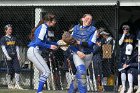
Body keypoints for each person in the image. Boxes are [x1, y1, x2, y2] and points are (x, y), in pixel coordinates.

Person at [27, 13, 58, 93]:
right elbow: (38, 42)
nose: (55, 22)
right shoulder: (44, 27)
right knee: (46, 71)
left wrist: (57, 43)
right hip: (34, 51)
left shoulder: (44, 27)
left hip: (34, 51)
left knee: (44, 72)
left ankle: (39, 91)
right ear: (49, 21)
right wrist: (50, 46)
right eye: (54, 20)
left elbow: (45, 41)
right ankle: (39, 91)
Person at [68, 14, 97, 93]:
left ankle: (71, 91)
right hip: (77, 54)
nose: (89, 20)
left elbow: (90, 44)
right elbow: (70, 44)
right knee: (82, 72)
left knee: (80, 76)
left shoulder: (93, 29)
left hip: (88, 55)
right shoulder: (75, 28)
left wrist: (78, 42)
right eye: (87, 18)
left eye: (91, 19)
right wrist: (77, 52)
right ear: (82, 19)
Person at [0, 24, 23, 89]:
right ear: (5, 30)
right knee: (10, 70)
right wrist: (7, 56)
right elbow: (3, 48)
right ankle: (9, 84)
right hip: (8, 57)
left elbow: (17, 47)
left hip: (15, 56)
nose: (10, 30)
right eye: (9, 29)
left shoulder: (14, 38)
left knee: (17, 69)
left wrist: (18, 55)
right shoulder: (3, 39)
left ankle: (17, 84)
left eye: (11, 29)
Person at [119, 25, 135, 93]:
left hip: (130, 55)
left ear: (129, 29)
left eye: (127, 29)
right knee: (123, 70)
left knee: (129, 70)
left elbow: (135, 45)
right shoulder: (121, 35)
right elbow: (120, 43)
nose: (125, 30)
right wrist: (123, 34)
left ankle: (131, 87)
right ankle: (124, 87)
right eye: (124, 29)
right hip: (123, 55)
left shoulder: (132, 36)